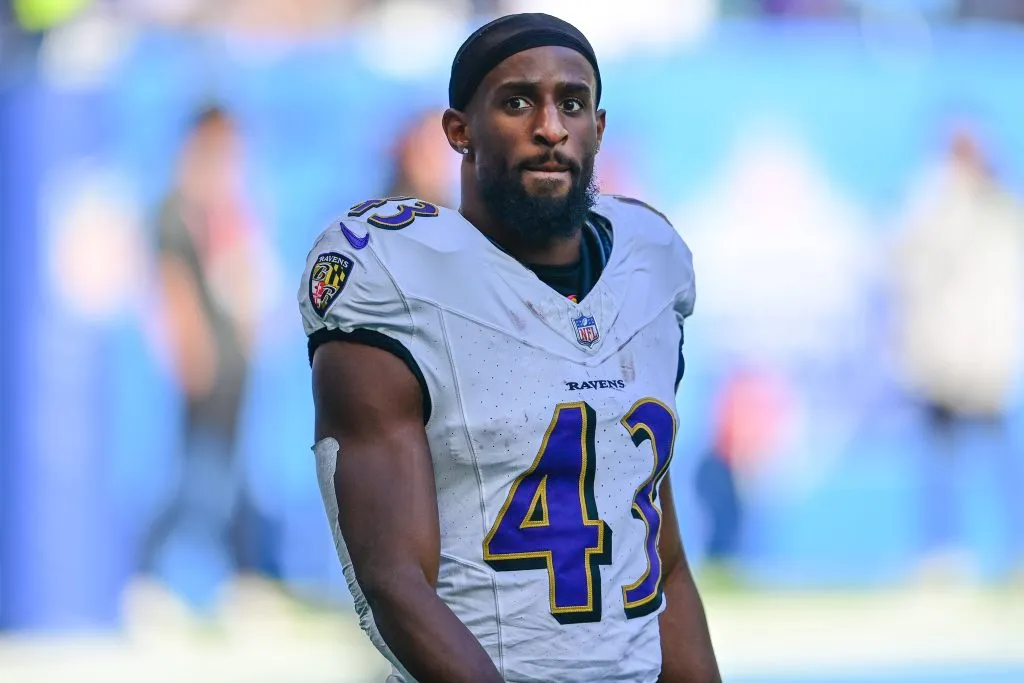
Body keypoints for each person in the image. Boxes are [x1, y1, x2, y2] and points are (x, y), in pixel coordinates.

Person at [298, 13, 720, 683]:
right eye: (518, 101)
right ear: (458, 131)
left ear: (599, 129)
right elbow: (391, 577)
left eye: (572, 103)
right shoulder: (397, 276)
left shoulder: (650, 263)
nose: (550, 126)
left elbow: (658, 556)